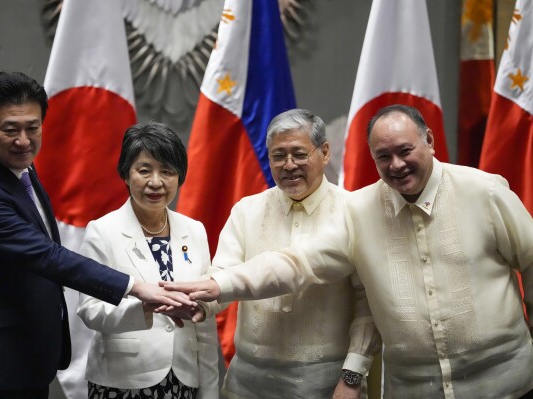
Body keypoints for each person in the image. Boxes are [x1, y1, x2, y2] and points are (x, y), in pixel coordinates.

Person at [164, 105, 533, 398]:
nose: (397, 165)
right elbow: (299, 263)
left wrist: (353, 374)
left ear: (430, 141)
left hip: (507, 383)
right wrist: (216, 286)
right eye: (383, 156)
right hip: (413, 389)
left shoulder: (484, 191)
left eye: (405, 150)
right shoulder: (360, 211)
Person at [0, 71, 194, 399]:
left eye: (32, 128)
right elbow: (47, 256)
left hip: (26, 356)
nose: (24, 140)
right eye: (10, 130)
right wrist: (136, 287)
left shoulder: (19, 168)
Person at [197, 109, 380, 399]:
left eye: (299, 154)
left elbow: (367, 304)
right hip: (247, 378)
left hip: (326, 379)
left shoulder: (353, 211)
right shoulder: (247, 210)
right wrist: (197, 304)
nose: (289, 165)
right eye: (278, 156)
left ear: (325, 152)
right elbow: (222, 276)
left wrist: (353, 374)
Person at [76, 121, 219, 398]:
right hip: (122, 380)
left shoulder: (194, 230)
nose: (156, 182)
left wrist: (209, 390)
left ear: (180, 177)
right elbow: (90, 310)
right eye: (144, 170)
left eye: (167, 171)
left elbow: (205, 318)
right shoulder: (102, 230)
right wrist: (144, 308)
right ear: (126, 175)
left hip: (183, 378)